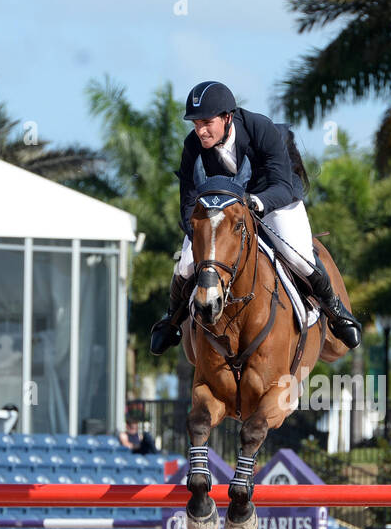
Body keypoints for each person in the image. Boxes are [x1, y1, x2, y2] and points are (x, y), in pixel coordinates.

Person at [149, 81, 362, 355]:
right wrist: (200, 235)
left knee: (296, 255)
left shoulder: (261, 129)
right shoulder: (193, 145)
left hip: (274, 200)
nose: (200, 130)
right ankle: (172, 320)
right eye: (195, 123)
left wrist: (256, 203)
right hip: (222, 214)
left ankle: (335, 310)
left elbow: (283, 186)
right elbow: (188, 201)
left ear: (227, 117)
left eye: (206, 122)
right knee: (185, 265)